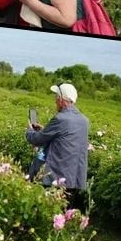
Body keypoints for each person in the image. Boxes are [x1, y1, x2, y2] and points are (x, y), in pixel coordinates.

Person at [26, 83, 90, 212]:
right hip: (74, 178)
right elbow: (64, 138)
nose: (55, 101)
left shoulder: (61, 118)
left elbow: (37, 140)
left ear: (61, 99)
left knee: (47, 212)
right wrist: (44, 130)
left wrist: (29, 131)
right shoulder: (84, 120)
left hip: (56, 178)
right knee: (63, 214)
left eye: (56, 97)